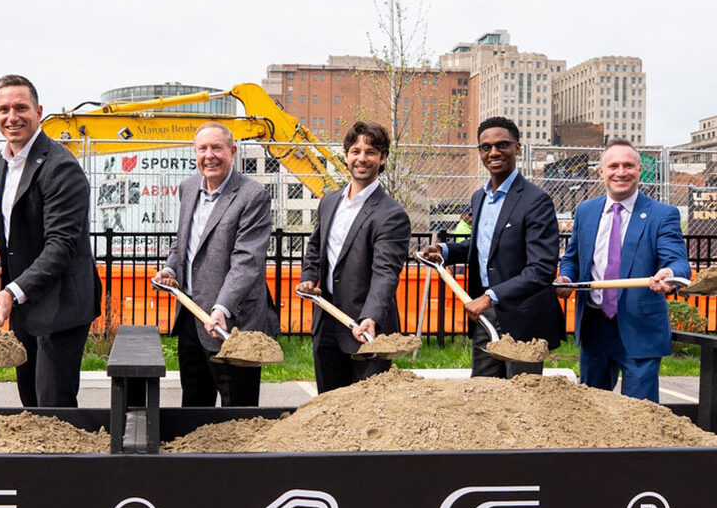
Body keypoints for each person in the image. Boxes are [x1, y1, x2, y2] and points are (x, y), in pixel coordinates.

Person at [0, 74, 101, 408]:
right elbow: (29, 224)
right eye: (4, 109)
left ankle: (65, 461)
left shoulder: (61, 167)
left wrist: (10, 291)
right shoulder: (4, 162)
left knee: (53, 405)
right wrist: (5, 251)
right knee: (30, 401)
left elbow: (61, 244)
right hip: (25, 303)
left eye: (21, 107)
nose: (12, 116)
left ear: (39, 111)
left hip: (61, 305)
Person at [420, 116, 563, 378]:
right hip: (484, 315)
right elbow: (485, 245)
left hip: (522, 318)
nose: (494, 152)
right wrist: (446, 250)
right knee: (484, 394)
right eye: (486, 147)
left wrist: (489, 297)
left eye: (502, 145)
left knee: (521, 398)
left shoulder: (535, 201)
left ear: (517, 148)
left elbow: (541, 268)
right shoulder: (480, 197)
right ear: (480, 152)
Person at [152, 122, 278, 407]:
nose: (209, 155)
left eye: (217, 148)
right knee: (194, 406)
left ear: (232, 151)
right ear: (195, 153)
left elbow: (247, 261)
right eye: (203, 148)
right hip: (191, 319)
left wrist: (222, 308)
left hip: (234, 324)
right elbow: (184, 243)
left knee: (239, 411)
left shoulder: (252, 196)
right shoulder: (187, 189)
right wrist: (171, 269)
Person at [555, 140, 690, 402]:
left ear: (639, 170)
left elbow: (678, 261)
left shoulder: (662, 215)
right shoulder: (586, 211)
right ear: (601, 172)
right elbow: (573, 258)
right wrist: (567, 277)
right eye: (613, 165)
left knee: (640, 416)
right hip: (595, 327)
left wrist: (669, 275)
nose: (621, 172)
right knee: (592, 411)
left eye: (628, 166)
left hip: (641, 328)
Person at [296, 121, 411, 393]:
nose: (362, 158)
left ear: (382, 159)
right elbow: (315, 247)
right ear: (345, 155)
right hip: (326, 322)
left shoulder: (391, 214)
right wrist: (309, 277)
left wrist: (370, 316)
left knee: (366, 414)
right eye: (355, 150)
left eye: (371, 152)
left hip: (366, 330)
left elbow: (386, 273)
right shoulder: (329, 201)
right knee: (329, 406)